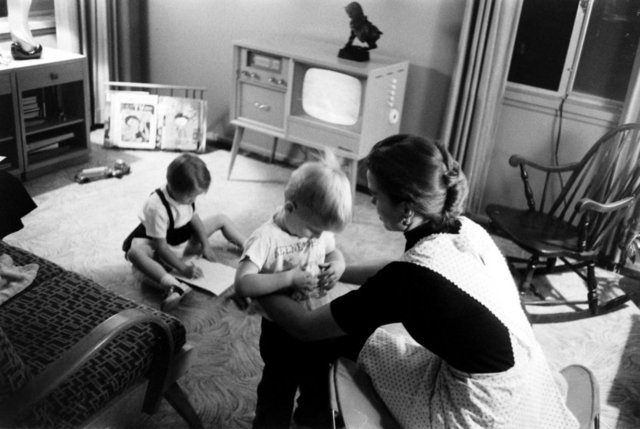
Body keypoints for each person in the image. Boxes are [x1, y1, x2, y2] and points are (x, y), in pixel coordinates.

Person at [258, 134, 579, 428]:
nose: (371, 203)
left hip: (477, 411)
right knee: (354, 334)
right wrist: (340, 270)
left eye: (376, 195)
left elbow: (306, 326)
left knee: (320, 338)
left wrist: (260, 284)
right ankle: (312, 415)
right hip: (523, 378)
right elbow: (401, 270)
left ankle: (306, 418)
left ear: (406, 208)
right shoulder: (463, 229)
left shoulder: (409, 281)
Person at [234, 152, 354, 429]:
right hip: (280, 330)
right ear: (290, 207)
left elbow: (333, 251)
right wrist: (288, 278)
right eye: (313, 230)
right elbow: (243, 282)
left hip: (316, 321)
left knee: (318, 381)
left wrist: (337, 264)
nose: (318, 237)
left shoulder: (317, 229)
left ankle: (308, 419)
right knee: (278, 387)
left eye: (322, 232)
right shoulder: (266, 238)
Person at [123, 153, 246, 311]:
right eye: (191, 197)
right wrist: (183, 268)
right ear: (174, 188)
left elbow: (194, 218)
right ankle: (173, 285)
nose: (193, 200)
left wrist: (206, 245)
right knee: (134, 253)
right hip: (160, 249)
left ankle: (250, 247)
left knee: (221, 219)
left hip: (182, 239)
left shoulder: (187, 198)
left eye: (196, 196)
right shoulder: (156, 207)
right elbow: (161, 247)